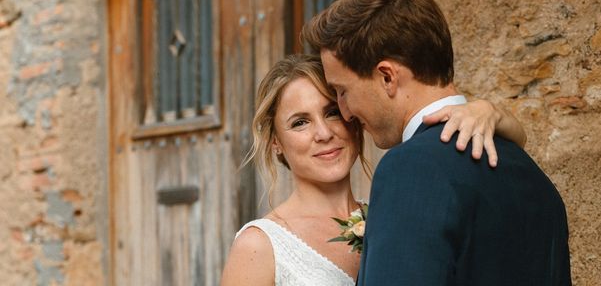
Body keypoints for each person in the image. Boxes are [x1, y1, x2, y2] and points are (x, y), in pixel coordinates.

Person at [302, 0, 572, 286]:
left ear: (387, 77)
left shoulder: (412, 170)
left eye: (342, 91)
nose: (346, 112)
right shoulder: (531, 175)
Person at [220, 54, 528, 286]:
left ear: (352, 115)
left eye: (332, 113)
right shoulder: (259, 246)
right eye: (300, 122)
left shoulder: (394, 211)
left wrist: (490, 112)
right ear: (276, 143)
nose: (323, 133)